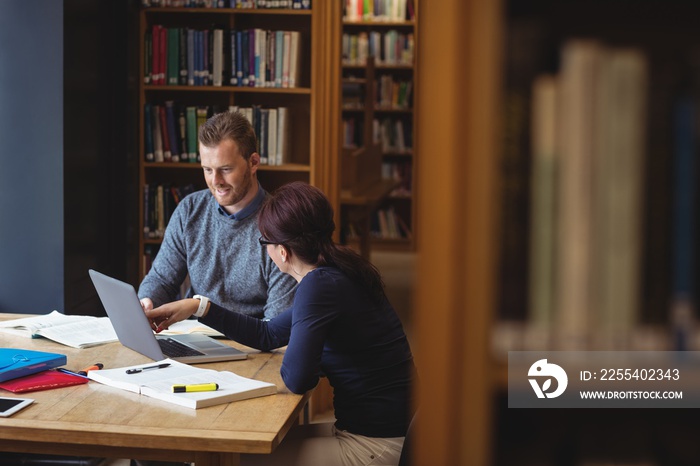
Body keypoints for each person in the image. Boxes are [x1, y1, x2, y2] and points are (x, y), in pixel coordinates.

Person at [145, 181, 416, 466]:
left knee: (235, 461)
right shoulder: (337, 268)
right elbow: (269, 333)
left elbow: (298, 378)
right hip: (389, 430)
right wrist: (199, 306)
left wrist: (309, 351)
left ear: (283, 251)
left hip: (375, 443)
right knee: (239, 451)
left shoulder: (318, 287)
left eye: (265, 243)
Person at [138, 110, 297, 320]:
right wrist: (147, 301)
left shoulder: (281, 225)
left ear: (253, 163)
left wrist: (201, 308)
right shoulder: (189, 211)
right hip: (195, 337)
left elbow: (277, 325)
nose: (216, 181)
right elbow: (161, 279)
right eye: (207, 169)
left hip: (254, 346)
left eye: (225, 169)